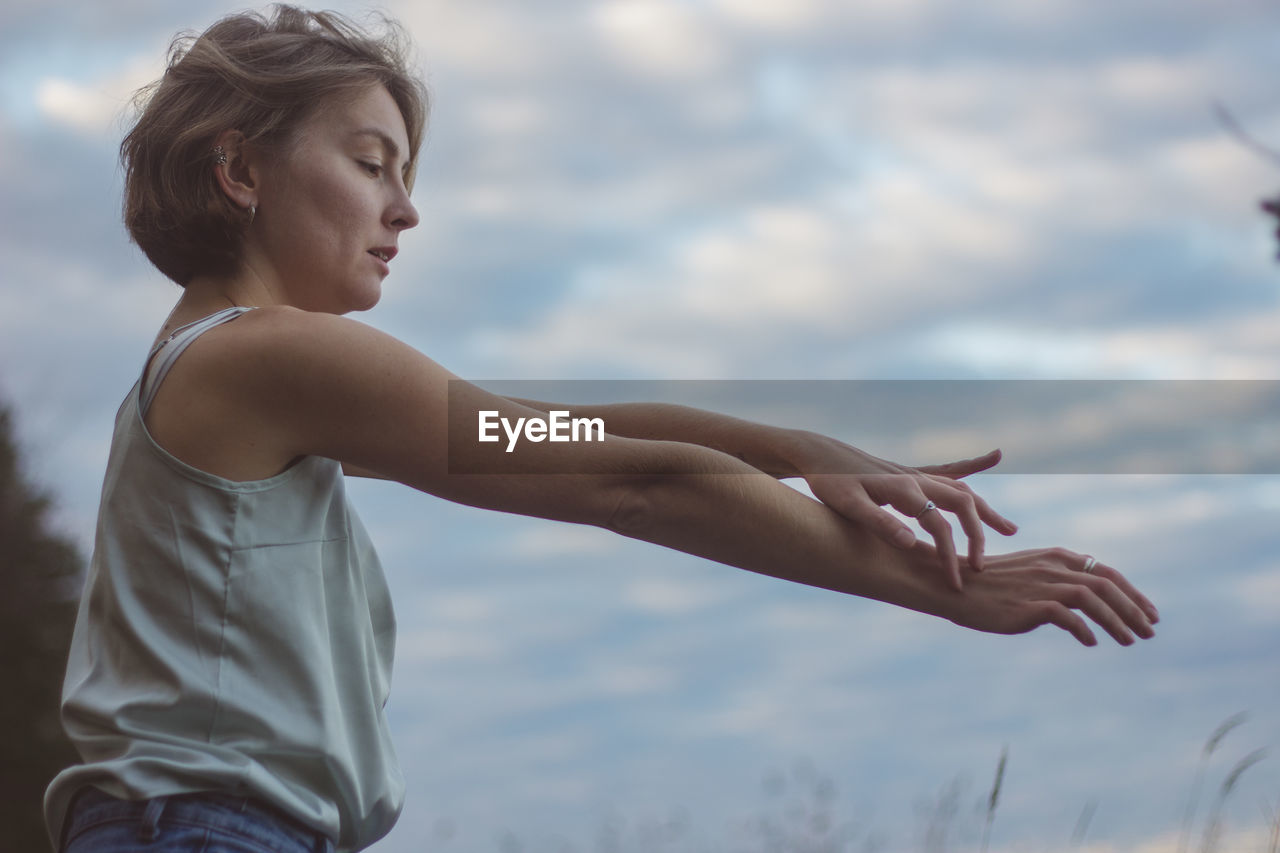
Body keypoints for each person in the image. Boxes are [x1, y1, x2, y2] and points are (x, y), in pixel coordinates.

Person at [45, 6, 1159, 853]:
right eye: (369, 164)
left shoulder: (224, 367)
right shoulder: (265, 351)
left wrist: (795, 448)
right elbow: (625, 482)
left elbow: (558, 435)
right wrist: (946, 585)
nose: (405, 209)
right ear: (238, 169)